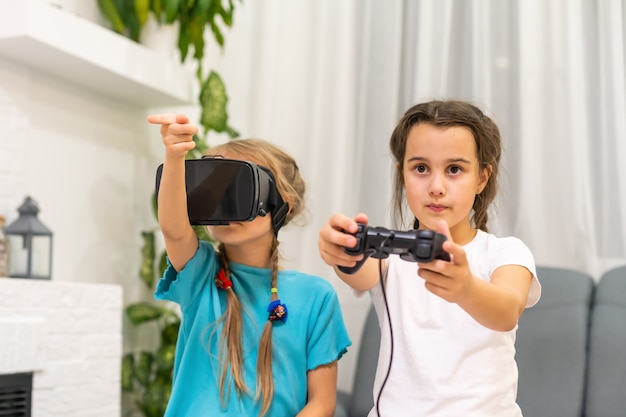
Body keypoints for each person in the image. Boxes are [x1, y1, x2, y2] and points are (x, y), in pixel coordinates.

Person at [318, 100, 541, 416]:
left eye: (454, 170)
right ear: (403, 174)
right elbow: (355, 268)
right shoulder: (389, 259)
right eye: (420, 168)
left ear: (482, 177)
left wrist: (466, 289)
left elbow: (506, 311)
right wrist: (339, 248)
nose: (436, 187)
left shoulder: (506, 252)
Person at [148, 113, 351, 417]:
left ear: (282, 205)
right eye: (215, 194)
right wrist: (175, 157)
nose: (225, 206)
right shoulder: (201, 275)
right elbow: (175, 229)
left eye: (239, 191)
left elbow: (322, 403)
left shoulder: (316, 298)